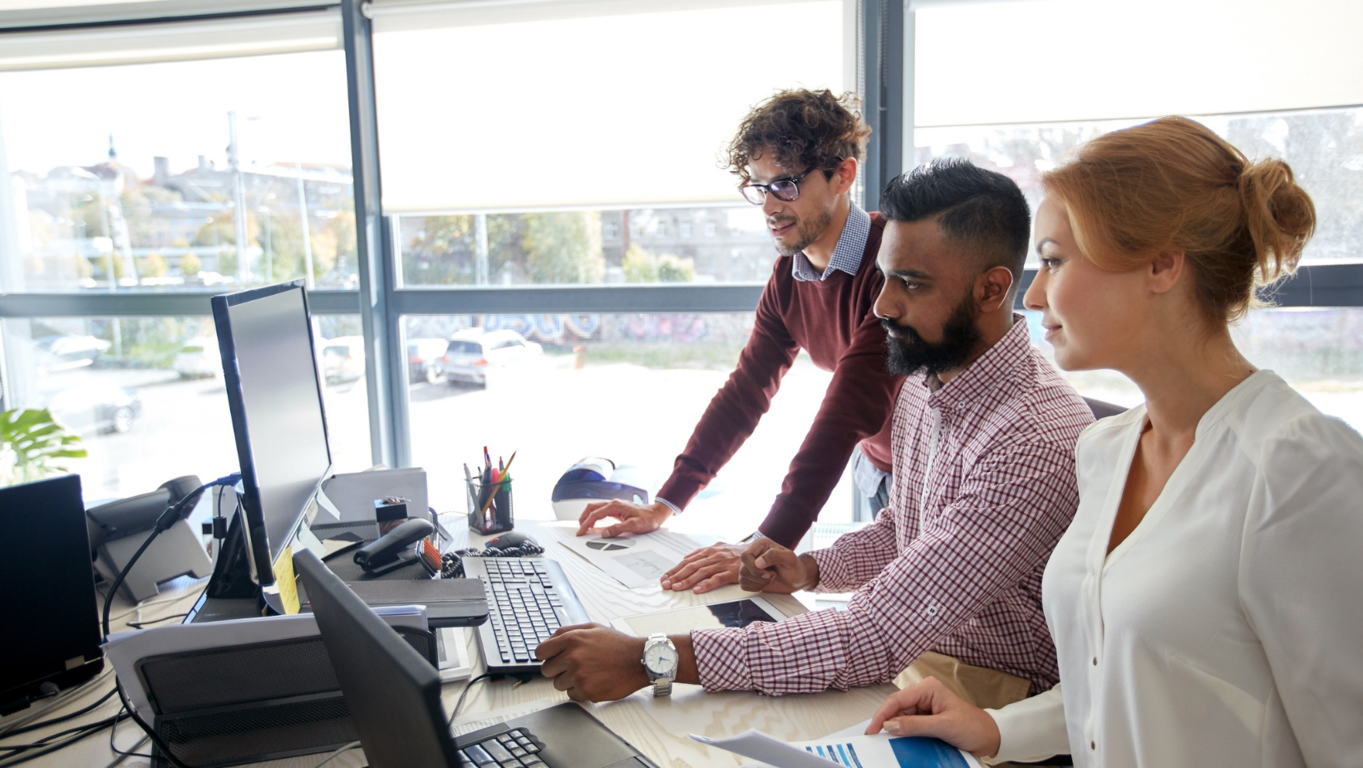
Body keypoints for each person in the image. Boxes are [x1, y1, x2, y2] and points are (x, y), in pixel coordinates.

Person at [863, 117, 1363, 767]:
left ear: (1159, 263)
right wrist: (998, 728)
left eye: (1052, 261)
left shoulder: (1296, 466)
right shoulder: (1106, 449)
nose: (1033, 292)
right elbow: (1116, 682)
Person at [537, 159, 1094, 705]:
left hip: (995, 689)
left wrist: (648, 659)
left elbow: (875, 635)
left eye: (912, 284)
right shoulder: (927, 381)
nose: (883, 305)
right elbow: (906, 529)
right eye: (884, 277)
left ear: (992, 290)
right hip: (919, 655)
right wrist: (810, 567)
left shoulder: (1035, 440)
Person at [574, 89, 903, 593]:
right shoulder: (789, 278)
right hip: (878, 466)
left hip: (937, 466)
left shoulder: (892, 266)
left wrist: (766, 544)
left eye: (787, 185)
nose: (770, 206)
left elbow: (848, 409)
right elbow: (745, 392)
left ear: (843, 175)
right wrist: (668, 502)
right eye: (761, 187)